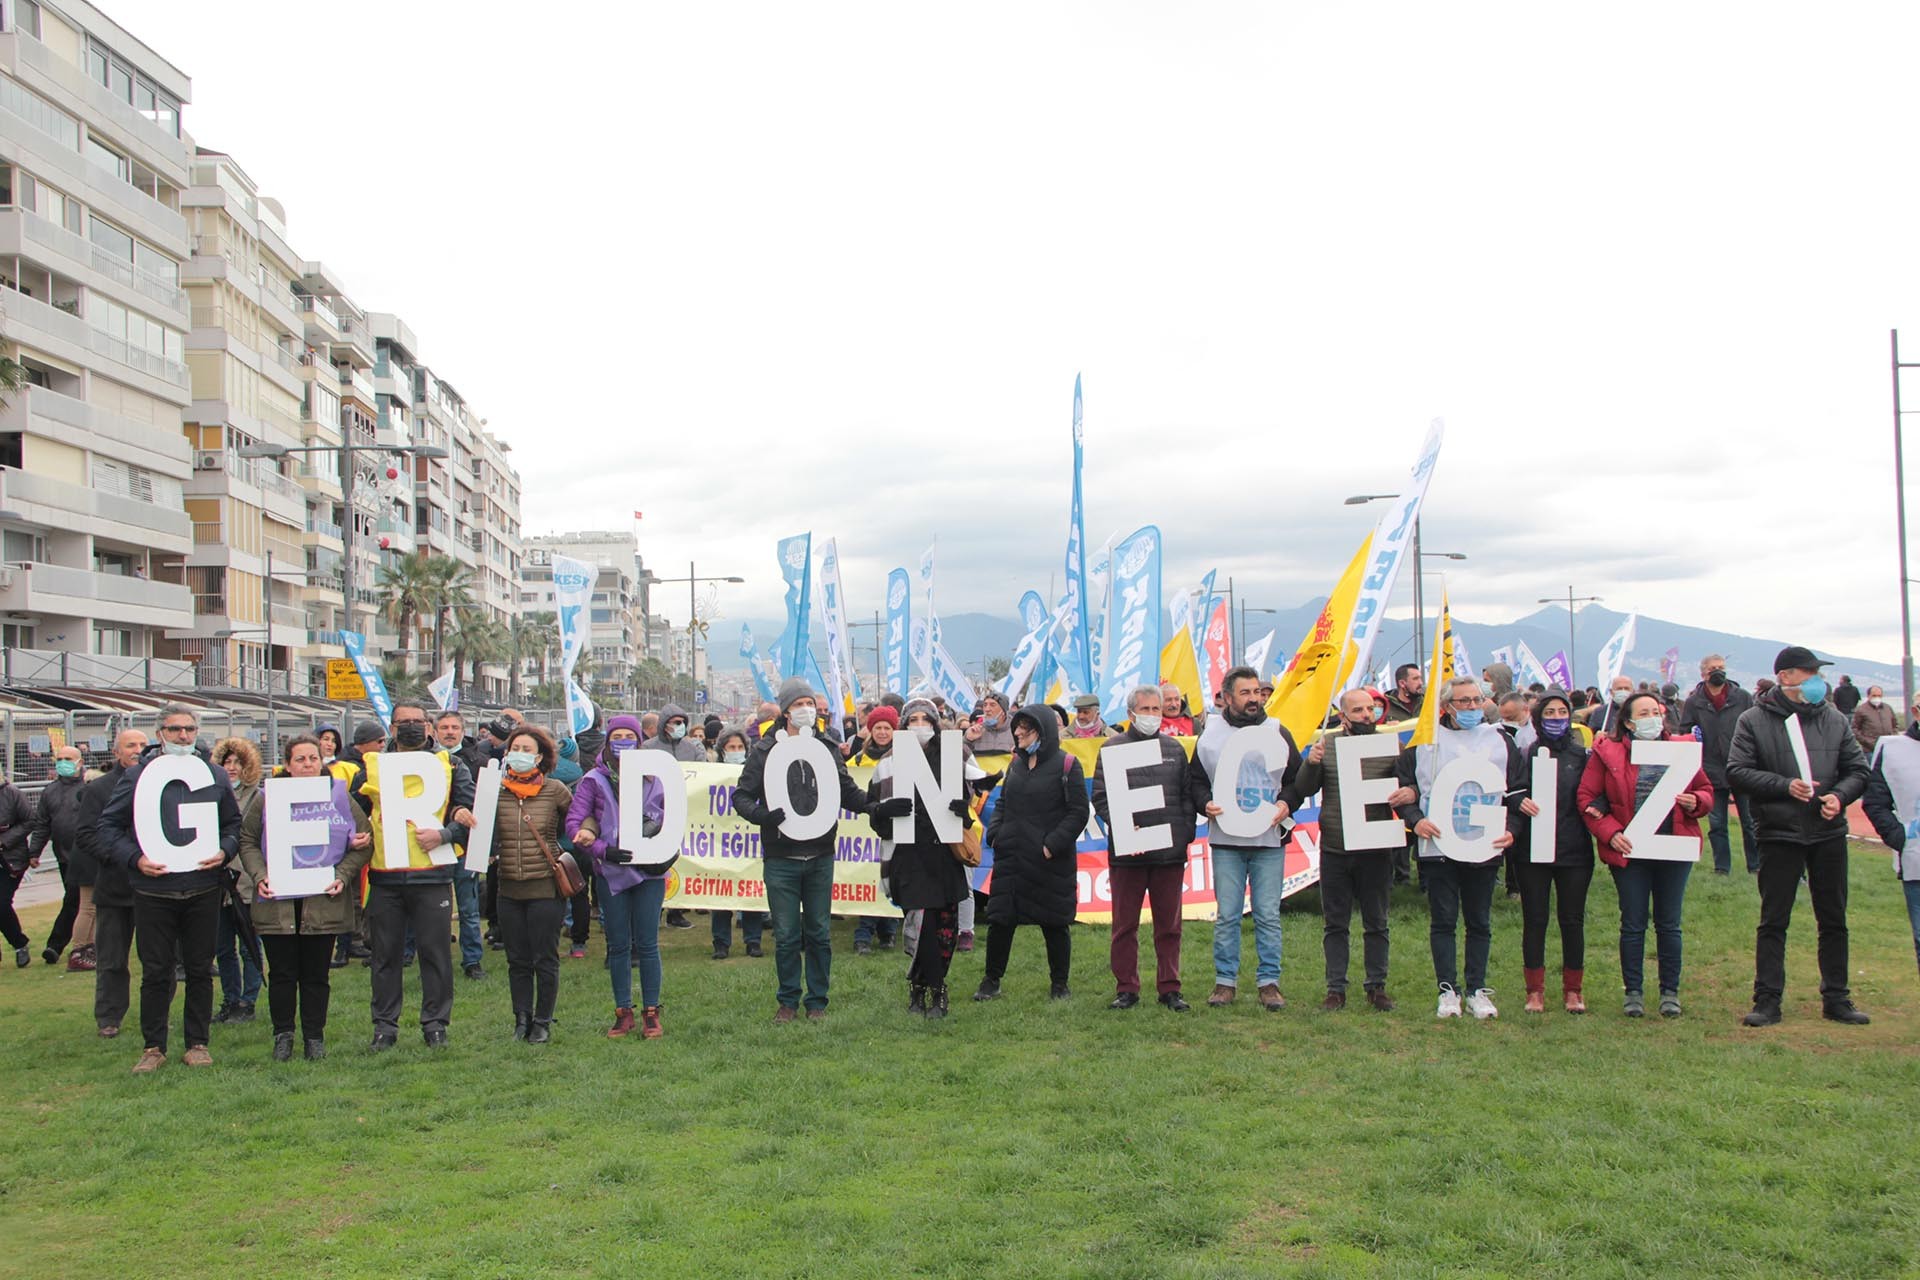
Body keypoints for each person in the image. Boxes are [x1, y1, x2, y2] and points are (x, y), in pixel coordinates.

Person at [734, 679, 903, 1021]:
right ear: (786, 711)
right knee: (785, 935)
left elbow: (844, 790)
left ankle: (817, 1002)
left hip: (820, 855)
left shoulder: (826, 747)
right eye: (799, 704)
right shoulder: (765, 751)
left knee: (819, 932)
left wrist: (874, 806)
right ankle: (787, 1000)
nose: (807, 709)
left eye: (810, 703)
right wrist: (763, 816)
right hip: (781, 857)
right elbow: (741, 796)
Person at [1728, 646, 1872, 1027]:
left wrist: (1839, 798)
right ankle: (1768, 999)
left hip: (1828, 833)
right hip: (1779, 833)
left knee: (1834, 918)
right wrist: (1784, 786)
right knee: (1774, 919)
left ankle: (1837, 997)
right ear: (1785, 677)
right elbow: (1738, 772)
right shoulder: (1753, 720)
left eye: (1817, 674)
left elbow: (1857, 770)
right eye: (1807, 673)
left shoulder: (1836, 720)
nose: (1815, 681)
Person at [97, 704, 245, 1073]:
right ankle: (153, 1046)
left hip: (202, 887)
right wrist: (135, 859)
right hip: (153, 891)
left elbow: (233, 825)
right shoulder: (138, 776)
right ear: (160, 732)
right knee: (157, 971)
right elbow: (109, 827)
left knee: (199, 969)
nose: (183, 736)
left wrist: (225, 851)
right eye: (176, 729)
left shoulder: (212, 774)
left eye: (190, 729)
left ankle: (197, 1042)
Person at [1393, 677, 1525, 1020]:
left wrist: (1512, 829)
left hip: (1483, 845)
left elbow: (1518, 791)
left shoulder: (1500, 742)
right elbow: (1403, 788)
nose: (1470, 707)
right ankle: (1447, 990)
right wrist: (1414, 819)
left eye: (1475, 701)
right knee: (1444, 920)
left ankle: (1477, 988)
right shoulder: (1424, 743)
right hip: (1439, 845)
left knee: (1480, 920)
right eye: (1462, 701)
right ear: (1447, 706)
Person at [238, 734, 373, 1061]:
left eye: (313, 758)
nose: (308, 764)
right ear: (287, 765)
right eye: (300, 759)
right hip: (278, 904)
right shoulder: (266, 799)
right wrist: (260, 875)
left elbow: (365, 841)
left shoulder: (338, 797)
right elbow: (248, 841)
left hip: (322, 902)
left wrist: (342, 875)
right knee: (282, 973)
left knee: (316, 974)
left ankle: (315, 1037)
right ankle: (283, 1034)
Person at [1579, 692, 1714, 1018]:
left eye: (1656, 711)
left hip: (1673, 847)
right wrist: (1612, 834)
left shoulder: (1683, 749)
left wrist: (1696, 801)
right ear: (1628, 721)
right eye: (1644, 712)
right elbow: (1587, 798)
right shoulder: (1606, 751)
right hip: (1631, 851)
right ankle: (1634, 992)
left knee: (1669, 923)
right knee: (1634, 922)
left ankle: (1670, 991)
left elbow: (1706, 791)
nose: (1653, 717)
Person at [350, 701, 476, 1050]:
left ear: (429, 727)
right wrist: (356, 835)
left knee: (435, 954)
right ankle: (384, 1027)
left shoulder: (451, 765)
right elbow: (353, 813)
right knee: (385, 956)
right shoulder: (371, 768)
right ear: (391, 728)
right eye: (402, 722)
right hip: (386, 876)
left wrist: (446, 834)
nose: (409, 727)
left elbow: (468, 810)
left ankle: (436, 1024)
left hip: (431, 874)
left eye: (416, 722)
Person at [1091, 685, 1211, 1012]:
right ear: (1131, 714)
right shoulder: (1112, 749)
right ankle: (1126, 988)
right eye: (1145, 709)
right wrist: (1127, 831)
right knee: (1124, 925)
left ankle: (1170, 988)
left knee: (1169, 926)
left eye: (1156, 709)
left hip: (1168, 854)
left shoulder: (1173, 749)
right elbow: (1101, 797)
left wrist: (1184, 833)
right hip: (1128, 855)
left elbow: (1187, 797)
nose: (1151, 715)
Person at [1283, 687, 1397, 1012]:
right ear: (1343, 716)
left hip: (1375, 847)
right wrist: (1311, 764)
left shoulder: (1390, 747)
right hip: (1336, 846)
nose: (1366, 715)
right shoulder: (1327, 746)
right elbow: (1304, 789)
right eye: (1358, 710)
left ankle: (1377, 986)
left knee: (1377, 921)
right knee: (1336, 922)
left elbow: (1405, 784)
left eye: (1370, 709)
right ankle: (1336, 989)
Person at [1197, 667, 1301, 1010]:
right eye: (1245, 693)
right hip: (1226, 839)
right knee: (1228, 914)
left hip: (1268, 839)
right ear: (1227, 697)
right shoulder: (1209, 735)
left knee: (1267, 914)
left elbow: (1297, 778)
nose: (1254, 698)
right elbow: (1194, 780)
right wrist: (1203, 803)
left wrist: (1287, 802)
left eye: (1257, 692)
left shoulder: (1277, 731)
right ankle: (1225, 982)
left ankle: (1269, 982)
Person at [867, 697, 978, 1018]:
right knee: (922, 925)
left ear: (935, 722)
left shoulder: (955, 756)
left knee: (945, 928)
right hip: (908, 856)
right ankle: (931, 990)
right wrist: (883, 810)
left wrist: (963, 811)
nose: (919, 726)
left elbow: (967, 806)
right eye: (912, 720)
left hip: (944, 855)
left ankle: (926, 987)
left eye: (924, 720)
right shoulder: (888, 763)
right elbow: (875, 814)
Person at [975, 702, 1090, 1002]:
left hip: (1048, 861)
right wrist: (996, 833)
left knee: (1054, 923)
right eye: (1018, 727)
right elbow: (1002, 803)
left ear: (1044, 731)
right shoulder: (1015, 765)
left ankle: (1059, 984)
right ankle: (991, 980)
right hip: (1012, 858)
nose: (1019, 732)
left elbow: (1078, 813)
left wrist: (1051, 846)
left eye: (1026, 728)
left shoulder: (1067, 765)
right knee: (1000, 921)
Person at [569, 715, 669, 1038]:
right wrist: (601, 850)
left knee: (648, 942)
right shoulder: (594, 780)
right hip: (611, 872)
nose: (623, 740)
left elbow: (671, 817)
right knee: (618, 945)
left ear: (639, 742)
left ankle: (651, 1011)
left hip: (649, 873)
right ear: (608, 741)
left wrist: (665, 851)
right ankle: (622, 1010)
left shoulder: (656, 779)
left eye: (630, 735)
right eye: (617, 736)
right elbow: (575, 822)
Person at [486, 725, 573, 1044]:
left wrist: (569, 845)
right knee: (517, 959)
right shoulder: (495, 791)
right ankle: (520, 1018)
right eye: (515, 749)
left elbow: (577, 822)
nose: (519, 755)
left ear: (540, 757)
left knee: (544, 958)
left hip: (545, 889)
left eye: (527, 750)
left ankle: (542, 1020)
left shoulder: (556, 790)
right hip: (508, 888)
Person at [1510, 690, 1595, 1013]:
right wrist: (1519, 800)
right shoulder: (1525, 753)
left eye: (1562, 712)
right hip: (1533, 850)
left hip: (1574, 851)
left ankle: (1573, 991)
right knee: (1535, 919)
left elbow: (1594, 793)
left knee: (1572, 920)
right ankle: (1535, 991)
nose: (1557, 718)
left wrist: (1597, 806)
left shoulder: (1582, 756)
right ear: (1538, 718)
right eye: (1550, 713)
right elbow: (1512, 790)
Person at [83, 729, 145, 1037]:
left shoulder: (162, 783)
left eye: (143, 745)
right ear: (117, 752)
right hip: (115, 887)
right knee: (111, 959)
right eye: (131, 745)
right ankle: (108, 1017)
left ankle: (155, 1014)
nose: (138, 750)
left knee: (160, 960)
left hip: (154, 888)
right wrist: (122, 857)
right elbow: (86, 835)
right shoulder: (100, 789)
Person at [1678, 654, 1759, 876]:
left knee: (1750, 821)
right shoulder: (1695, 701)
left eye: (1721, 667)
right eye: (1713, 668)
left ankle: (1756, 865)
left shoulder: (1742, 697)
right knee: (1717, 823)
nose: (1718, 671)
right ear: (1703, 673)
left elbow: (1755, 725)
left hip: (1742, 765)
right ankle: (1722, 867)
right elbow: (1685, 730)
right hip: (1711, 768)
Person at [1861, 687, 1920, 978]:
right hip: (1916, 861)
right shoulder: (1894, 750)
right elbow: (1875, 802)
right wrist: (1900, 839)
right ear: (1916, 712)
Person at [209, 738, 265, 1025]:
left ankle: (249, 1000)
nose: (231, 768)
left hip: (246, 882)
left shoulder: (258, 797)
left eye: (237, 763)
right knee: (222, 948)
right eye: (226, 762)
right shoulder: (211, 793)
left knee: (249, 945)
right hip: (217, 883)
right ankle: (230, 999)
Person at [28, 745, 91, 969]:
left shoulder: (89, 787)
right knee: (76, 901)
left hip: (86, 856)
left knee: (74, 900)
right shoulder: (50, 791)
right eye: (60, 758)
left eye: (68, 758)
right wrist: (34, 851)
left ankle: (56, 945)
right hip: (63, 856)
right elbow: (42, 824)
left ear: (80, 762)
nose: (63, 762)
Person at [847, 706, 901, 955]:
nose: (882, 732)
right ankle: (863, 935)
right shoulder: (857, 760)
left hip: (890, 829)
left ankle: (888, 930)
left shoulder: (903, 759)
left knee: (889, 877)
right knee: (867, 881)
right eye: (878, 727)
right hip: (862, 834)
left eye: (887, 728)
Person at [708, 727, 765, 959]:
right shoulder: (710, 774)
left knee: (751, 891)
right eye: (731, 747)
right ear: (722, 750)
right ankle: (721, 943)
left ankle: (753, 941)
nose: (736, 751)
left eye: (740, 747)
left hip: (748, 842)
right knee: (720, 892)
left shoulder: (753, 773)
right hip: (720, 842)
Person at [0, 767, 32, 968]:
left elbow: (30, 820)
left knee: (1, 903)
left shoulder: (12, 794)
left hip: (10, 858)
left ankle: (19, 943)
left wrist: (4, 841)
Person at [435, 711, 491, 777]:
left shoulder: (482, 763)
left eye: (455, 728)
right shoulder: (425, 758)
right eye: (444, 728)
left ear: (463, 732)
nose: (450, 732)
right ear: (435, 732)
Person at [1852, 685, 1898, 755]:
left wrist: (1893, 737)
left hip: (1888, 748)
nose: (1877, 698)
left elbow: (1895, 724)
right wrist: (1867, 742)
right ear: (1868, 696)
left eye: (1879, 696)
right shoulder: (1861, 710)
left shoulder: (1887, 708)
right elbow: (1854, 728)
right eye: (1874, 695)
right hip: (1870, 750)